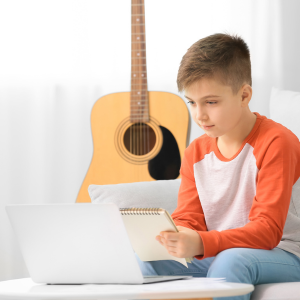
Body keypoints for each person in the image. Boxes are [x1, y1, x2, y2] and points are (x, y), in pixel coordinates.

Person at [135, 33, 300, 300]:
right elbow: (189, 217)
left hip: (286, 252)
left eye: (211, 102)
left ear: (244, 95)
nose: (200, 115)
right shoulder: (196, 152)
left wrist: (201, 242)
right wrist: (176, 235)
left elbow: (268, 230)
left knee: (230, 263)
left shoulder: (278, 142)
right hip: (222, 251)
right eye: (192, 102)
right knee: (143, 261)